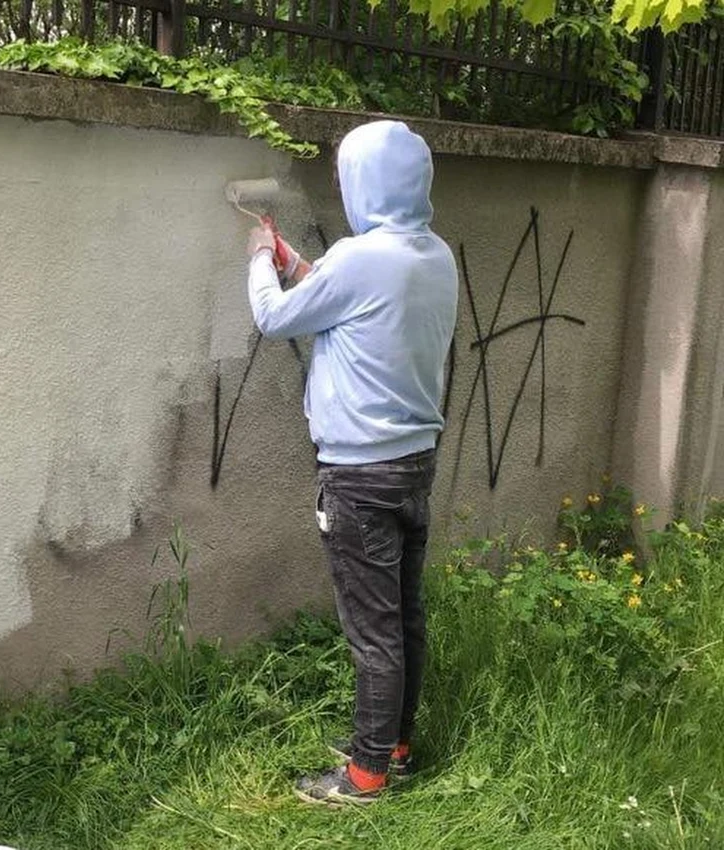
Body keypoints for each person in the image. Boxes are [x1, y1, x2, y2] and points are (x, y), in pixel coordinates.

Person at [245, 120, 458, 806]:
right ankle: (392, 743)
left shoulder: (361, 258)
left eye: (346, 176)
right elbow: (348, 301)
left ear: (368, 183)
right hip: (412, 467)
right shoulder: (434, 256)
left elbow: (278, 318)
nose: (342, 188)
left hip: (358, 478)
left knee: (373, 634)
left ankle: (365, 776)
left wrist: (259, 257)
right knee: (403, 615)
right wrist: (298, 261)